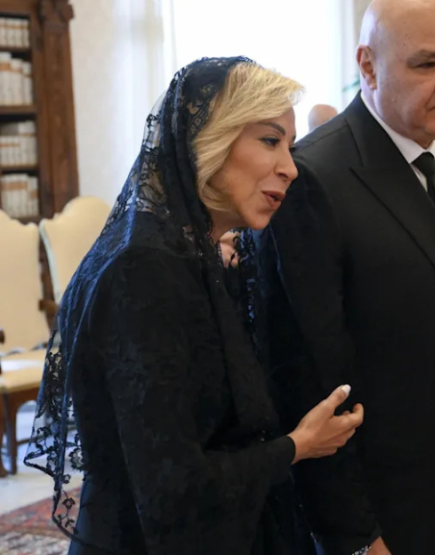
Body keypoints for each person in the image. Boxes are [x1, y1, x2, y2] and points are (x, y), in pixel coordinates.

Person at [24, 57, 365, 555]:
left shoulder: (193, 254)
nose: (290, 168)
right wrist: (297, 445)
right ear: (210, 141)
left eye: (290, 146)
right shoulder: (143, 269)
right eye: (270, 141)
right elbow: (170, 486)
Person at [259, 0, 435, 555]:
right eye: (428, 63)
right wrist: (354, 535)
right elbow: (308, 376)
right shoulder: (314, 179)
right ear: (369, 66)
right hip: (378, 505)